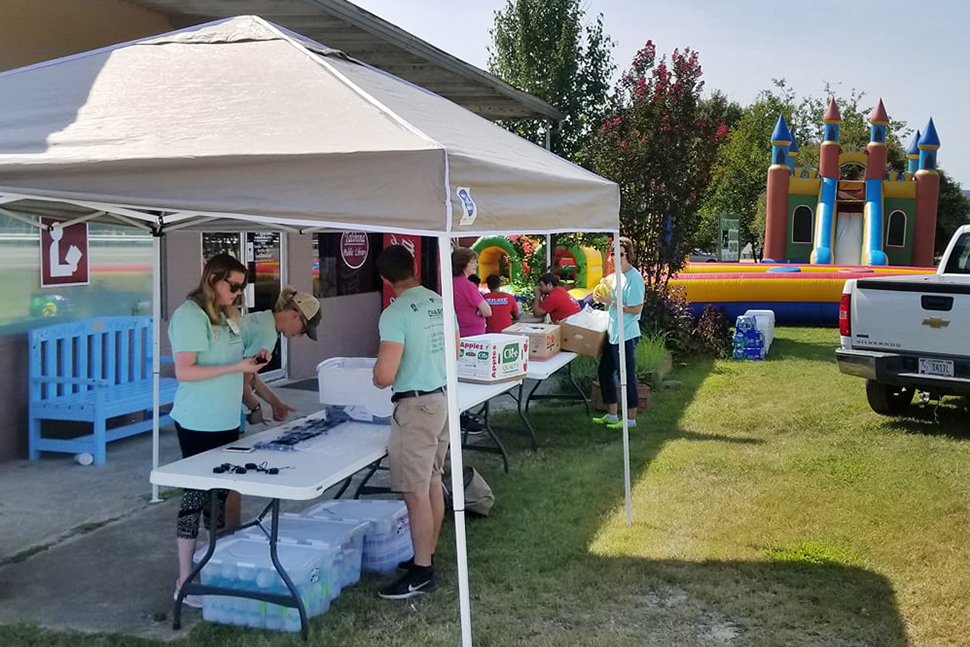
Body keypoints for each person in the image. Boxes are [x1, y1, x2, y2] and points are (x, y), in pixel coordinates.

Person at [167, 253, 267, 607]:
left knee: (219, 500)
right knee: (194, 498)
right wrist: (235, 367)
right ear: (213, 280)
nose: (239, 293)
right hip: (198, 421)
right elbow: (185, 371)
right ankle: (184, 579)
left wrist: (254, 359)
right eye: (234, 286)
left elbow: (235, 359)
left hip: (227, 420)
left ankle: (212, 567)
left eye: (243, 287)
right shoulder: (189, 315)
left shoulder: (228, 315)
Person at [372, 244, 457, 599]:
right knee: (432, 482)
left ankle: (422, 571)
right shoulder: (439, 301)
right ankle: (426, 554)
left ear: (384, 279)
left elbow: (384, 374)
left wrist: (376, 374)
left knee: (415, 491)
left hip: (416, 406)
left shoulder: (395, 313)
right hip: (442, 399)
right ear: (413, 268)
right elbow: (454, 348)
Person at [223, 286, 322, 529]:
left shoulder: (261, 320)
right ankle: (230, 534)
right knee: (231, 480)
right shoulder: (266, 334)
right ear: (295, 316)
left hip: (220, 398)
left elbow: (251, 375)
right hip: (224, 406)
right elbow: (240, 380)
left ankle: (223, 530)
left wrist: (275, 401)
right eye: (303, 330)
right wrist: (256, 408)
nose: (299, 336)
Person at [592, 237, 645, 430]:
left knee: (627, 377)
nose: (615, 257)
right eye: (613, 253)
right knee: (605, 372)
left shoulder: (635, 278)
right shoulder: (616, 276)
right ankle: (612, 415)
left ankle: (630, 421)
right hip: (613, 331)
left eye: (620, 254)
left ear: (628, 255)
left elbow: (636, 308)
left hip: (627, 334)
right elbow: (610, 295)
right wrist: (602, 293)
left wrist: (611, 301)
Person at [452, 247, 490, 337]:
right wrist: (480, 309)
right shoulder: (468, 285)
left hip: (459, 332)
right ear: (463, 264)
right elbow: (487, 311)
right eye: (473, 262)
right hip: (472, 336)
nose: (476, 265)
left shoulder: (451, 282)